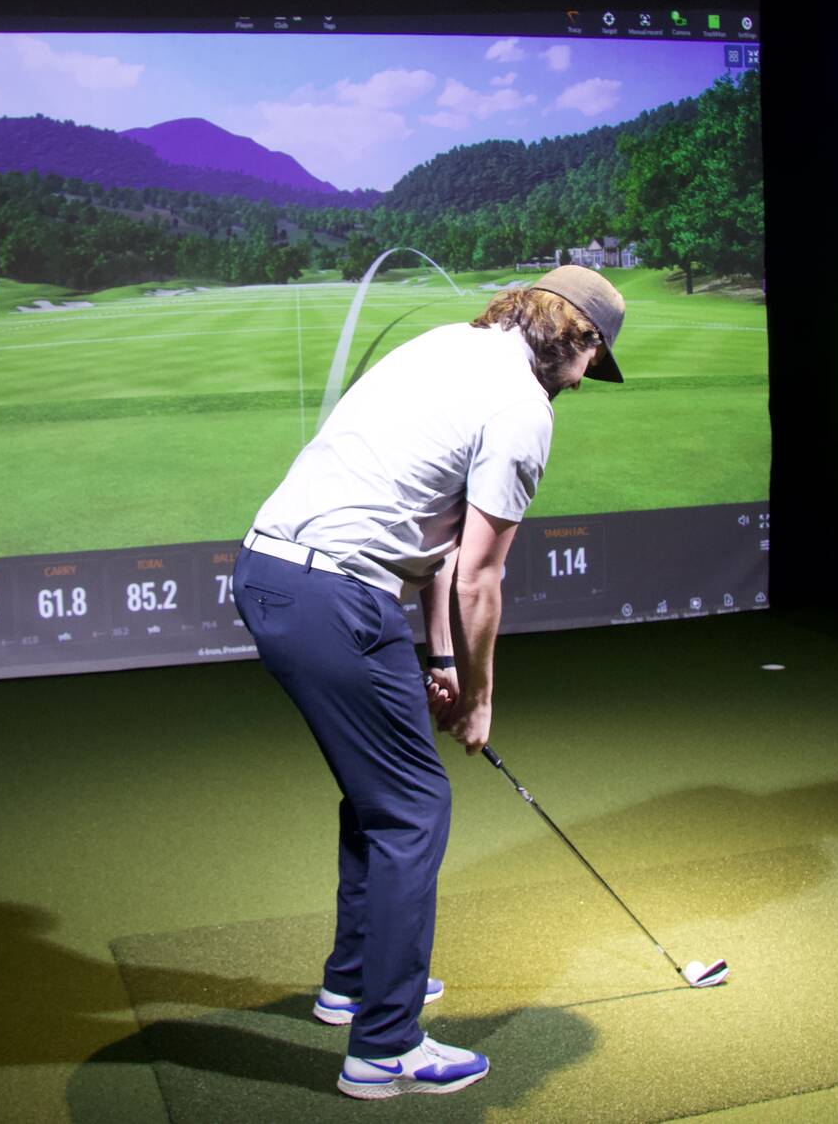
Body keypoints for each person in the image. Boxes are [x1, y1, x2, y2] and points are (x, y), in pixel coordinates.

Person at [231, 264, 626, 1100]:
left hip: (272, 573)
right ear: (577, 336)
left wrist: (441, 660)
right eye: (593, 358)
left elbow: (442, 549)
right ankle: (386, 1044)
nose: (586, 380)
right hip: (337, 594)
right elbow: (481, 576)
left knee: (379, 795)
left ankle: (352, 983)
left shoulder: (446, 346)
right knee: (416, 806)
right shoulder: (522, 407)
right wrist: (480, 700)